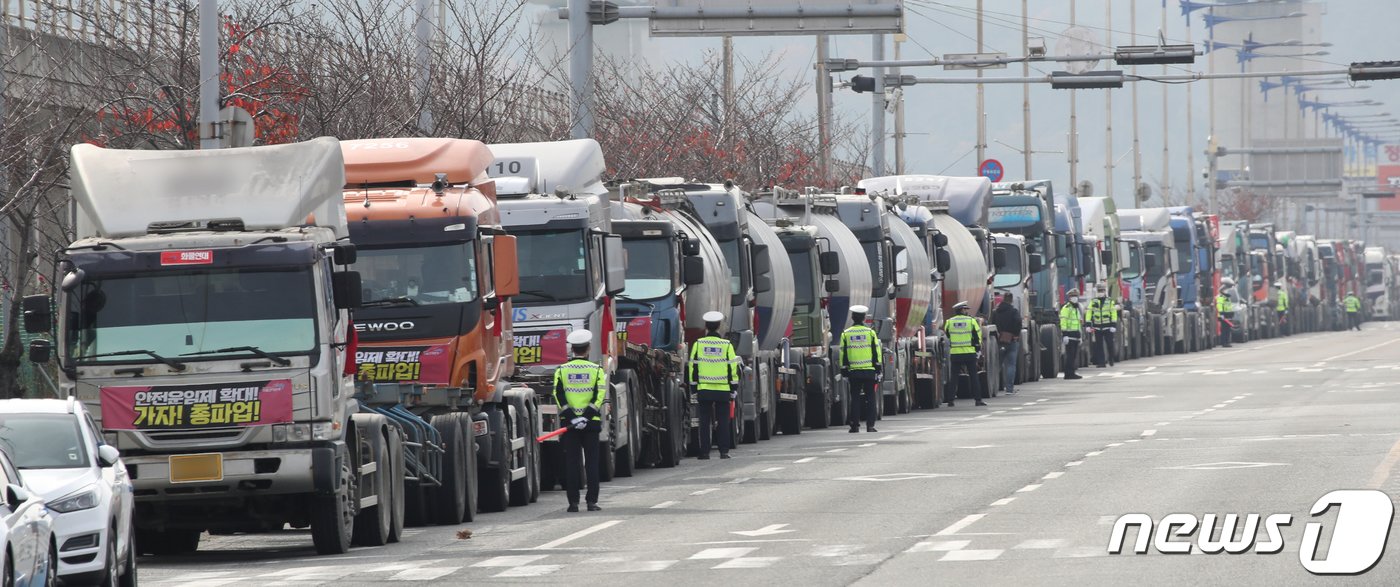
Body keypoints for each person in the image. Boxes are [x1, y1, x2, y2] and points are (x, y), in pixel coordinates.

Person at [553, 329, 607, 512]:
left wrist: (573, 417)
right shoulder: (596, 370)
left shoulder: (561, 371)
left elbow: (558, 395)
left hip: (570, 425)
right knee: (591, 463)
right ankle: (592, 502)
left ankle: (573, 503)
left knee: (572, 463)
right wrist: (587, 416)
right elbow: (599, 395)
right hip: (591, 424)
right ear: (588, 348)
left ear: (572, 349)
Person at [690, 311, 739, 459]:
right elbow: (733, 368)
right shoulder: (726, 345)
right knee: (723, 421)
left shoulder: (698, 345)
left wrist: (694, 387)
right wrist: (733, 388)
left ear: (706, 326)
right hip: (723, 390)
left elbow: (693, 367)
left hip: (704, 389)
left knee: (704, 421)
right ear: (719, 326)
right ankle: (724, 452)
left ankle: (704, 452)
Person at [840, 305, 882, 432]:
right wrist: (878, 368)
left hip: (854, 372)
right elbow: (877, 352)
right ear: (864, 318)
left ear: (852, 317)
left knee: (855, 398)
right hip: (869, 371)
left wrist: (844, 370)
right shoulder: (870, 333)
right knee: (870, 397)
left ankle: (854, 426)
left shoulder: (846, 334)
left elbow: (843, 353)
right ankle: (870, 426)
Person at [944, 301, 985, 406]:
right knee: (973, 377)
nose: (967, 311)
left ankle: (950, 400)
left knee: (954, 377)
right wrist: (978, 348)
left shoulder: (949, 322)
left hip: (955, 353)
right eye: (966, 309)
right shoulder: (971, 321)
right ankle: (978, 400)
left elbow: (948, 335)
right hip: (969, 353)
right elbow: (977, 336)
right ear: (962, 310)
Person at [990, 293, 1022, 394]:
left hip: (999, 341)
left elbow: (992, 324)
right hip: (1011, 340)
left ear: (1003, 299)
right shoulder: (1014, 311)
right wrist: (1016, 334)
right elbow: (1018, 322)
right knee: (1011, 365)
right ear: (1011, 300)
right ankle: (1009, 389)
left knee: (997, 365)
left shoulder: (996, 312)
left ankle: (994, 388)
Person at [1087, 286, 1118, 368]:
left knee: (1110, 344)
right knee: (1099, 346)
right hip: (1097, 327)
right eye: (1099, 291)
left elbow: (1113, 313)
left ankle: (1111, 358)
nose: (1100, 292)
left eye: (1102, 291)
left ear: (1104, 292)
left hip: (1108, 327)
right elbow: (1089, 312)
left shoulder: (1109, 301)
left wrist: (1113, 325)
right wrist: (1088, 324)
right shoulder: (1093, 301)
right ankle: (1102, 362)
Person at [1060, 289, 1084, 380]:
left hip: (1075, 336)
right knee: (1070, 356)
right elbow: (1063, 321)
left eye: (1076, 296)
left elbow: (1078, 323)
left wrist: (1080, 336)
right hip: (1069, 336)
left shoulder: (1076, 308)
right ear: (1069, 298)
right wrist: (1065, 334)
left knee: (1073, 356)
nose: (1075, 298)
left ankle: (1072, 372)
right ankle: (1068, 374)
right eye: (1073, 296)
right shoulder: (1066, 308)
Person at [1217, 279, 1236, 348]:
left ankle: (1227, 342)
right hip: (1223, 316)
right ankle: (1224, 343)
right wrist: (1221, 314)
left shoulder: (1227, 297)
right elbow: (1219, 306)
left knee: (1228, 330)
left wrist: (1231, 313)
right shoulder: (1221, 297)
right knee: (1224, 330)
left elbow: (1229, 306)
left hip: (1228, 315)